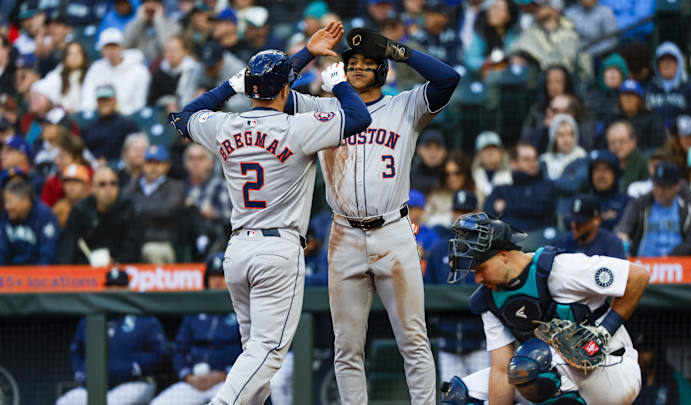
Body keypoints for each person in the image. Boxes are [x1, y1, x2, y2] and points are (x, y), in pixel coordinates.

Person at [168, 22, 371, 405]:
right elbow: (359, 117)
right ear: (285, 90)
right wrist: (338, 81)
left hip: (238, 251)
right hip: (277, 251)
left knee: (254, 356)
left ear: (250, 86)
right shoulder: (298, 127)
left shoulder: (225, 125)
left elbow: (184, 115)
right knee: (268, 352)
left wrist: (232, 85)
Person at [285, 26, 460, 405]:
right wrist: (307, 53)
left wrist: (400, 51)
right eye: (352, 62)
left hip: (394, 231)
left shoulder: (405, 106)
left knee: (413, 339)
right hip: (343, 234)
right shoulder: (323, 109)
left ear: (382, 69)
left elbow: (449, 78)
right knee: (346, 345)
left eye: (368, 62)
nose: (359, 67)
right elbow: (274, 92)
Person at [440, 212, 649, 404]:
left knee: (531, 365)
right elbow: (501, 371)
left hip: (612, 368)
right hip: (558, 371)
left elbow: (638, 276)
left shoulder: (561, 268)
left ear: (503, 255)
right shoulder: (490, 299)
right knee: (460, 396)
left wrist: (603, 332)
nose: (477, 278)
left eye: (481, 268)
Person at [56, 268, 168, 405]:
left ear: (128, 289)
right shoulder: (90, 319)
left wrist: (137, 367)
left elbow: (159, 353)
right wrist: (80, 372)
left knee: (110, 403)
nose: (114, 290)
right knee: (65, 402)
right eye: (110, 286)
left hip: (135, 384)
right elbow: (76, 349)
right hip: (96, 387)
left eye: (120, 287)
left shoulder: (144, 318)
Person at [149, 253, 242, 405]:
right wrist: (188, 376)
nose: (217, 281)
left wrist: (224, 374)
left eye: (222, 276)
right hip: (194, 383)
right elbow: (179, 350)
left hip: (228, 382)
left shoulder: (242, 310)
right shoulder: (196, 310)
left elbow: (249, 352)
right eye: (213, 276)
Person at [424, 190, 488, 385]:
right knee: (453, 398)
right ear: (452, 213)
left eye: (467, 212)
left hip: (480, 342)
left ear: (477, 213)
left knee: (484, 398)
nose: (462, 217)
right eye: (458, 211)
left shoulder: (486, 248)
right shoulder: (438, 249)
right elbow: (428, 294)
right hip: (447, 343)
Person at [617, 161, 691, 257]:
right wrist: (624, 241)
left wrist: (668, 258)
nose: (659, 191)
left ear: (677, 186)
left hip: (679, 264)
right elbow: (624, 230)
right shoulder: (640, 203)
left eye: (665, 187)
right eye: (656, 185)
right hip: (643, 262)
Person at [57, 167, 143, 265]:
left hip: (119, 267)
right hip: (85, 266)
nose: (108, 188)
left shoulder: (128, 209)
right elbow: (68, 245)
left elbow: (132, 246)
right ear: (92, 188)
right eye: (102, 184)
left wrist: (117, 261)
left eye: (113, 183)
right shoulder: (80, 209)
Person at [123, 145, 185, 264]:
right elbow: (122, 209)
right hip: (133, 242)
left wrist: (137, 209)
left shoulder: (176, 187)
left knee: (151, 251)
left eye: (158, 162)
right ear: (143, 165)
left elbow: (166, 211)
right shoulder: (132, 186)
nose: (153, 167)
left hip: (162, 243)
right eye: (149, 162)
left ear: (167, 165)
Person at [509, 0, 593, 81]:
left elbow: (585, 68)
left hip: (568, 86)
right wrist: (516, 57)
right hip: (538, 87)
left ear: (555, 9)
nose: (537, 8)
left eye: (543, 6)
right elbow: (513, 51)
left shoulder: (571, 35)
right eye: (536, 6)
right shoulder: (528, 34)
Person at [484, 142, 557, 232]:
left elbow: (541, 209)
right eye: (526, 159)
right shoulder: (501, 190)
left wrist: (506, 207)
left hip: (537, 240)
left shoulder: (547, 186)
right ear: (513, 163)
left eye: (535, 159)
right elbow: (488, 215)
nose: (533, 163)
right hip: (505, 240)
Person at [80, 27, 151, 115]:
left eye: (114, 46)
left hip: (128, 120)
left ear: (122, 47)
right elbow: (87, 98)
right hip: (100, 118)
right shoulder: (95, 68)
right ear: (102, 50)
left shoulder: (139, 71)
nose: (111, 51)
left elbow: (139, 104)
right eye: (107, 47)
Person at [645, 41, 691, 130]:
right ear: (657, 65)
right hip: (654, 138)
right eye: (662, 60)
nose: (666, 63)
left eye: (670, 60)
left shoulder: (690, 87)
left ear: (678, 63)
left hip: (683, 138)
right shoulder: (649, 87)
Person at [0, 176, 60, 265]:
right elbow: (2, 251)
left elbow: (47, 255)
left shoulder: (44, 216)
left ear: (25, 200)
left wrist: (35, 278)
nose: (7, 206)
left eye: (10, 201)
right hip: (11, 274)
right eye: (5, 202)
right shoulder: (6, 216)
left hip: (38, 274)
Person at [82, 84, 141, 164]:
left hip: (122, 167)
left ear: (114, 100)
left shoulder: (127, 124)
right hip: (94, 167)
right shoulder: (89, 128)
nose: (104, 103)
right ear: (97, 102)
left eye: (107, 100)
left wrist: (110, 163)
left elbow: (134, 150)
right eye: (101, 100)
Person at [555, 194, 626, 258]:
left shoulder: (611, 244)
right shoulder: (560, 244)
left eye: (580, 222)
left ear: (596, 220)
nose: (574, 225)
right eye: (573, 220)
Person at [610, 79, 666, 154]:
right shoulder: (612, 119)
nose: (628, 99)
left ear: (640, 100)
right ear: (619, 99)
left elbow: (659, 147)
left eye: (632, 95)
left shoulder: (652, 119)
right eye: (625, 95)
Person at [464, 0, 520, 73]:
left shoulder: (515, 36)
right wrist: (487, 63)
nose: (492, 12)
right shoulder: (482, 31)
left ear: (509, 15)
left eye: (498, 9)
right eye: (492, 8)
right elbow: (470, 60)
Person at [425, 150, 477, 227]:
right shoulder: (435, 197)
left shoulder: (478, 194)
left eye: (457, 173)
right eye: (448, 174)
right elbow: (425, 221)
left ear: (466, 173)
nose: (452, 178)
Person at [38, 41, 89, 113]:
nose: (74, 57)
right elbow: (41, 88)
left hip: (83, 114)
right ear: (65, 57)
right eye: (70, 54)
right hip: (63, 115)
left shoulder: (90, 74)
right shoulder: (58, 73)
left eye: (77, 53)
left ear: (83, 56)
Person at [147, 36, 198, 106]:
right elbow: (151, 100)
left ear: (185, 51)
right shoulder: (159, 71)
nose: (171, 53)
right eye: (168, 50)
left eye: (175, 50)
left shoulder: (193, 70)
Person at [587, 149, 630, 231]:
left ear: (615, 174)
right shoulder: (584, 200)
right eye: (597, 170)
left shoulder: (626, 202)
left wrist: (589, 220)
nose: (601, 175)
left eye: (606, 169)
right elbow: (570, 222)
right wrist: (602, 218)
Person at [606, 120, 650, 193]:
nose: (617, 146)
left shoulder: (645, 164)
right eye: (613, 143)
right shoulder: (606, 164)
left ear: (633, 142)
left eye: (622, 141)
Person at [539, 114, 586, 180]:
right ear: (553, 137)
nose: (566, 139)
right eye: (561, 135)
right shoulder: (545, 160)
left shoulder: (581, 156)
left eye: (570, 134)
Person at [472, 131, 512, 207]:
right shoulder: (472, 177)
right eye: (485, 149)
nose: (490, 152)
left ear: (501, 152)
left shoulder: (511, 176)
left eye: (494, 148)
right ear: (478, 155)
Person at [410, 128, 448, 195]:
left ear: (445, 151)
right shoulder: (408, 177)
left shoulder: (451, 175)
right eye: (428, 147)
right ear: (419, 150)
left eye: (438, 147)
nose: (433, 154)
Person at [52, 163, 90, 228]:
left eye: (76, 182)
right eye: (68, 182)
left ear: (86, 185)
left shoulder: (96, 205)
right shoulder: (59, 208)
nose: (71, 186)